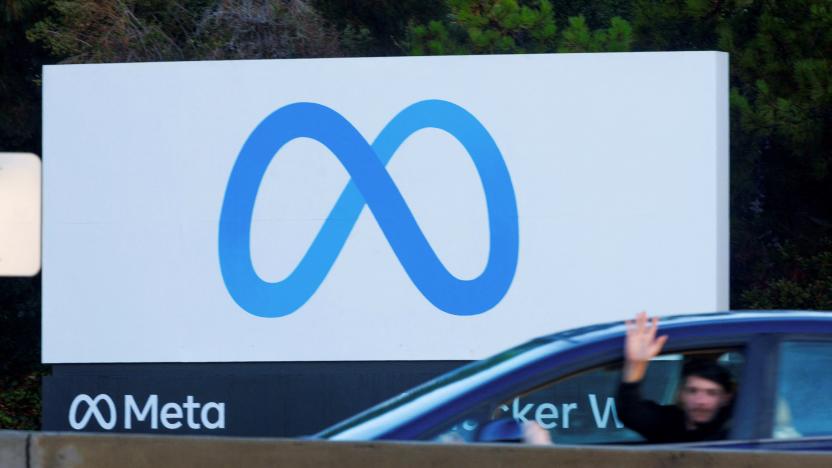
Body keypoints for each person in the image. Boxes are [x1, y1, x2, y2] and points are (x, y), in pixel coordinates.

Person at [617, 311, 734, 443]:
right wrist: (636, 363)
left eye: (711, 393)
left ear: (725, 398)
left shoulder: (735, 430)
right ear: (680, 394)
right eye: (692, 391)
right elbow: (631, 413)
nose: (700, 401)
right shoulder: (671, 423)